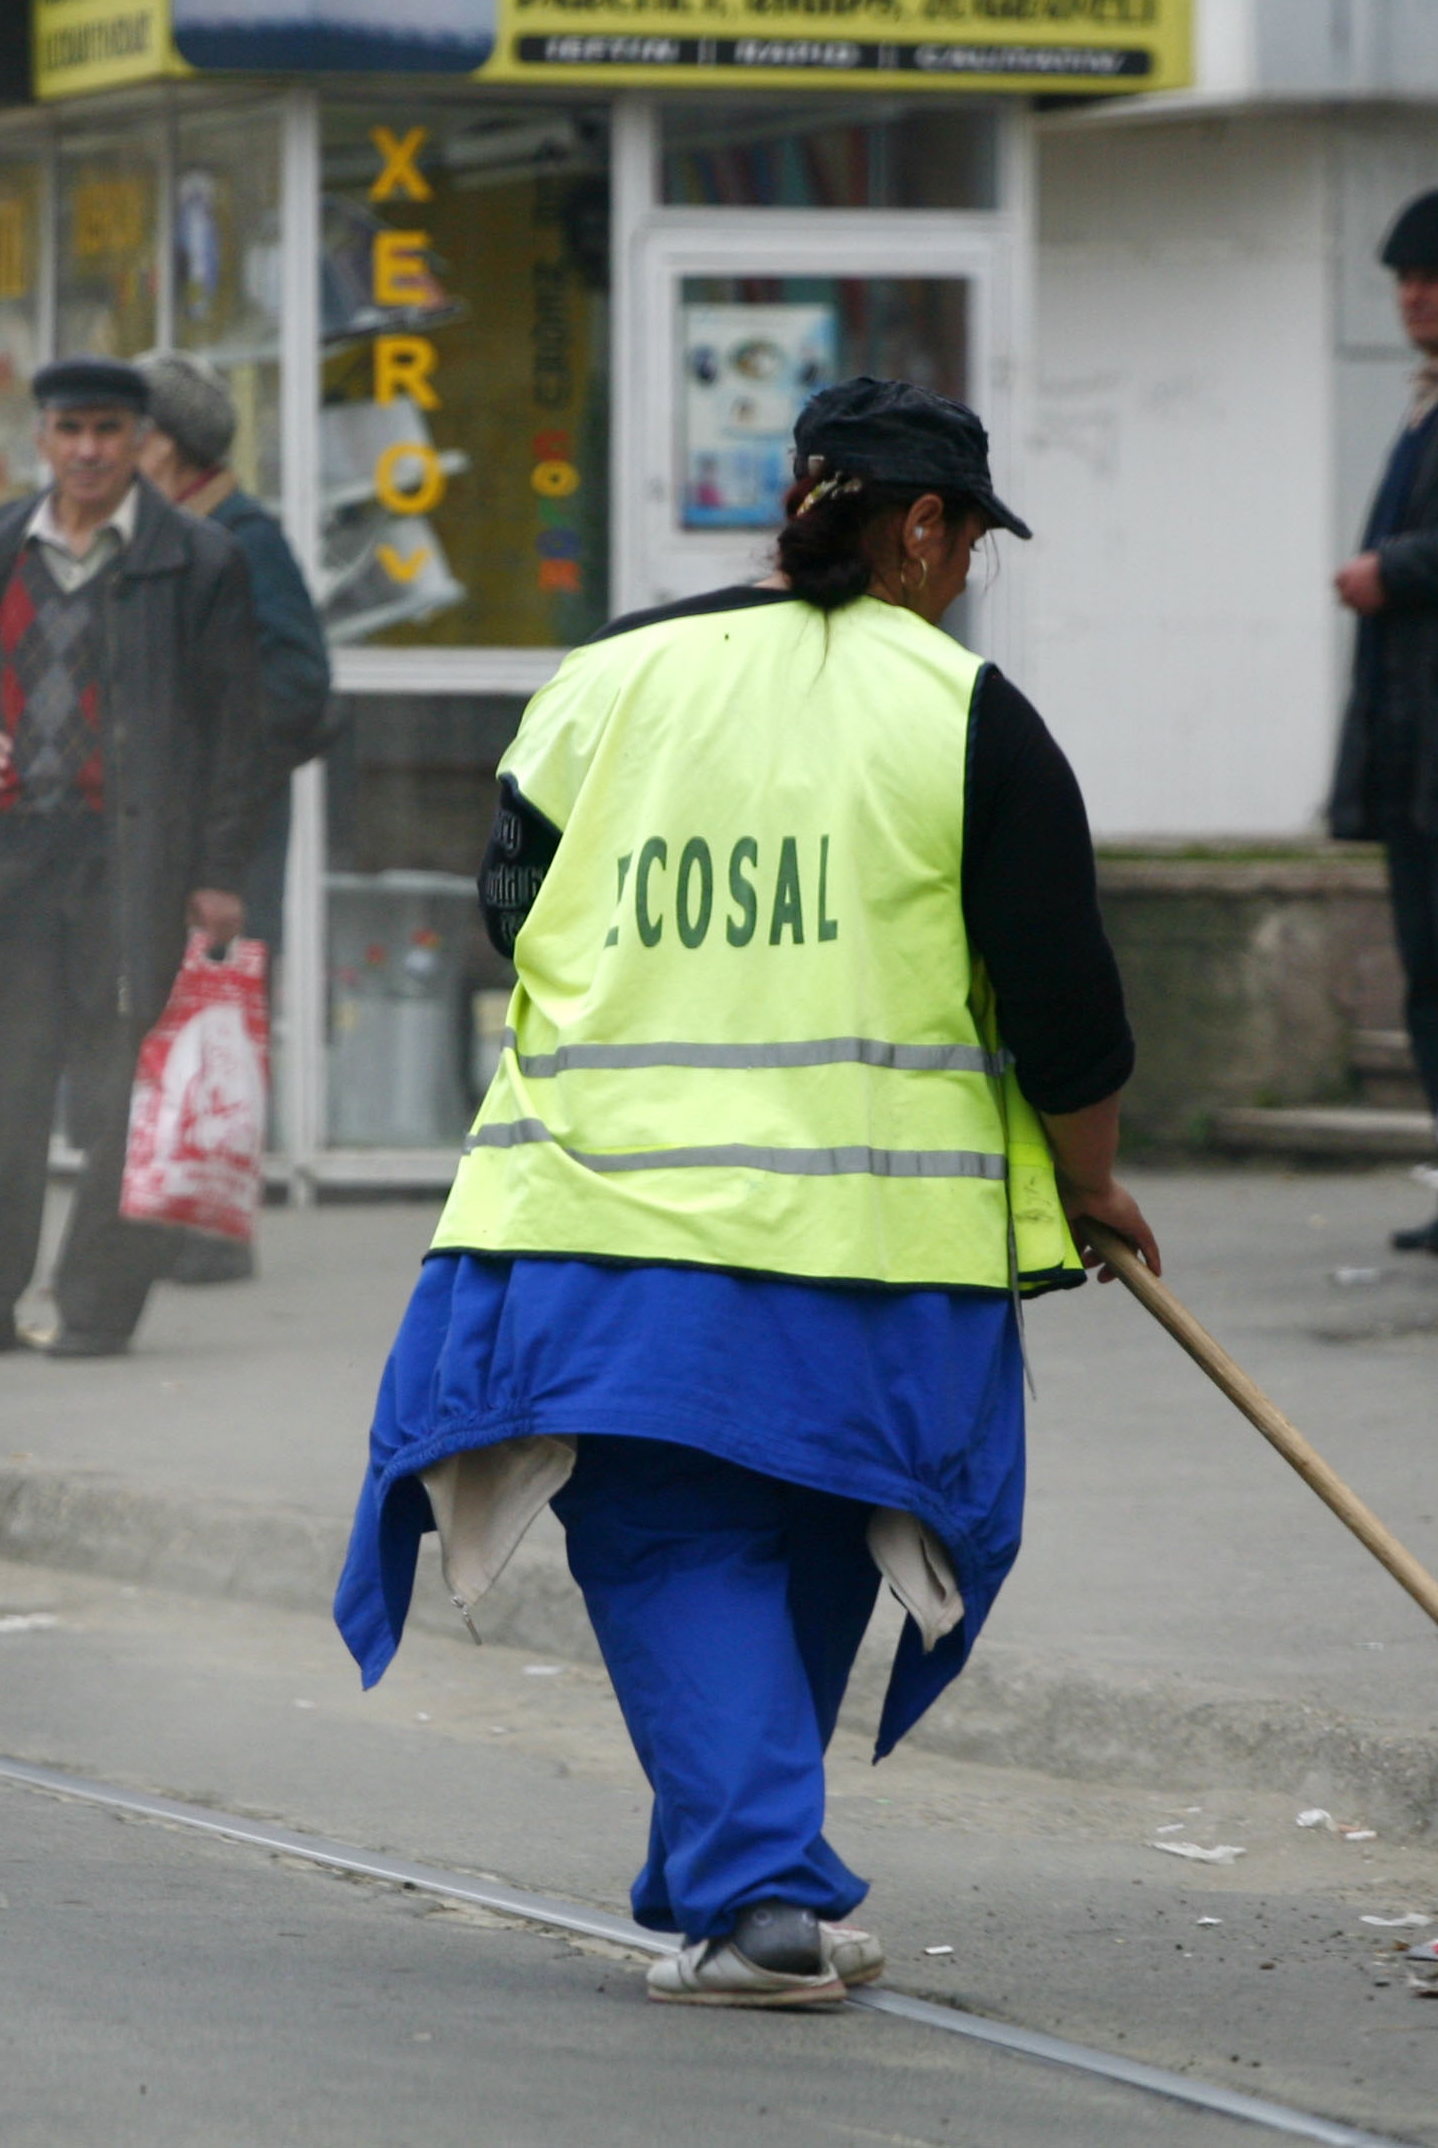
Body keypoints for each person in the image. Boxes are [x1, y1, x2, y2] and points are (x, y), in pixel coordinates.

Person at [334, 378, 1147, 2009]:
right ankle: (752, 1874)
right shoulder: (967, 712)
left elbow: (511, 903)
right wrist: (1094, 1185)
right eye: (971, 536)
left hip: (607, 1218)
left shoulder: (607, 680)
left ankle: (749, 1878)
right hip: (873, 1251)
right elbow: (1067, 1006)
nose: (972, 570)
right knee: (803, 1516)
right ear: (919, 527)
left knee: (679, 1532)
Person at [0, 356, 276, 1363]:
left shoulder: (196, 560)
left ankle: (97, 1310)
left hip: (134, 861)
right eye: (72, 431)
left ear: (140, 441)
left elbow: (240, 727)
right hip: (13, 854)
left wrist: (218, 871)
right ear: (43, 440)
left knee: (122, 1094)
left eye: (110, 431)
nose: (91, 450)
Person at [132, 348, 334, 1287]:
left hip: (231, 820)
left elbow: (299, 685)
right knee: (166, 1019)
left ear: (164, 446)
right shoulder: (159, 530)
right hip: (173, 816)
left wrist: (214, 749)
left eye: (123, 429)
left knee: (216, 1021)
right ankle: (165, 1212)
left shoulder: (243, 537)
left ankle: (211, 1232)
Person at [1324, 187, 1438, 1252]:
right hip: (1420, 752)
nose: (1415, 297)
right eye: (1404, 281)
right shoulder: (1433, 398)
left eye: (1434, 275)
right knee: (1431, 980)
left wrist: (1395, 568)